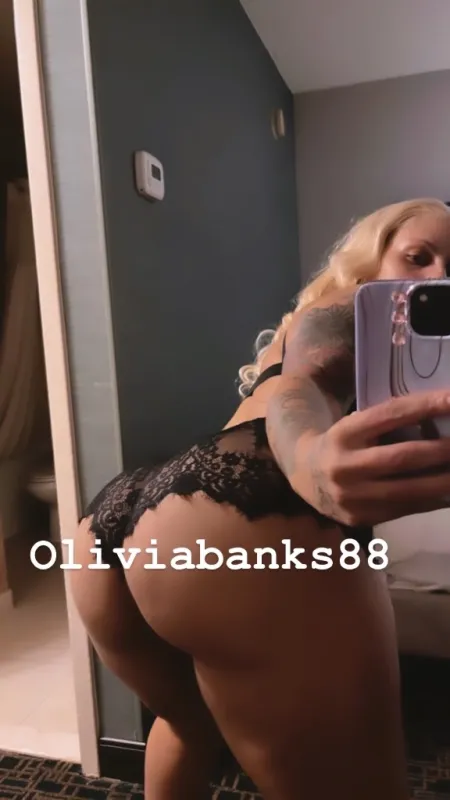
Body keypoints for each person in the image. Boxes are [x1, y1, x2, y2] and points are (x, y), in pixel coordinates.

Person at [71, 198, 450, 800]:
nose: (437, 276)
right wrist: (307, 456)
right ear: (373, 258)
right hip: (255, 508)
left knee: (189, 724)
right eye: (417, 256)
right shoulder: (348, 307)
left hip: (120, 520)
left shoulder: (326, 321)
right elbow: (306, 380)